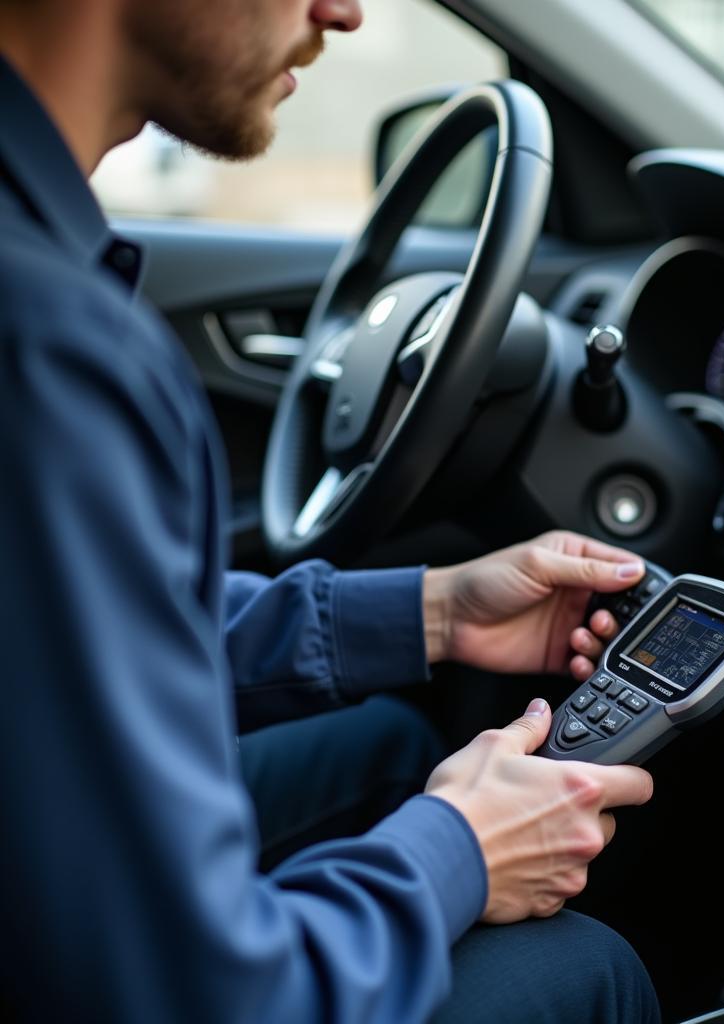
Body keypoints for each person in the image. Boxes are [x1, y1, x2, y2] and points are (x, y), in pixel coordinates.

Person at [0, 2, 662, 1021]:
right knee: (586, 969)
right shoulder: (50, 352)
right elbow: (202, 995)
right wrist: (463, 849)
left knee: (388, 745)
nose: (342, 10)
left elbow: (72, 632)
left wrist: (432, 612)